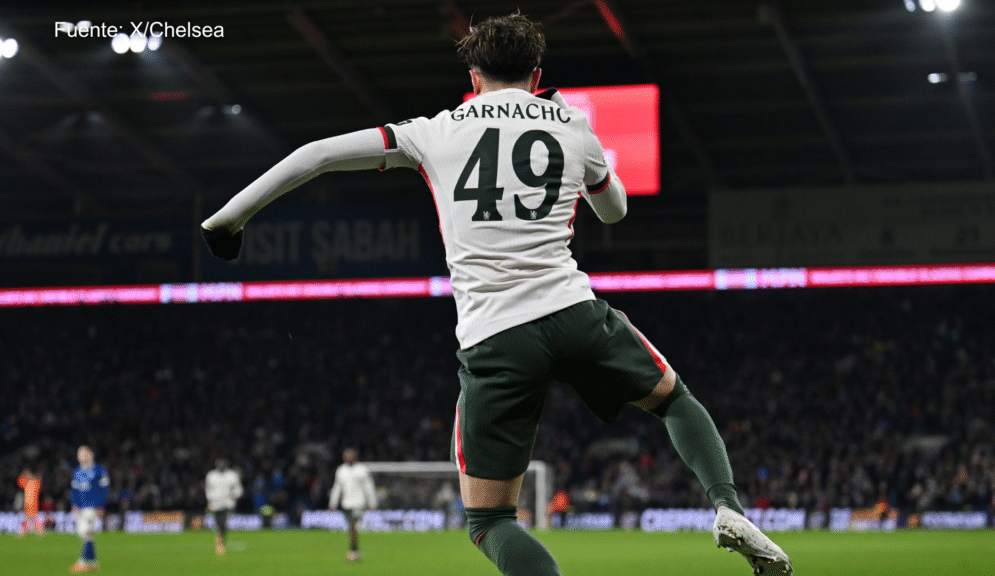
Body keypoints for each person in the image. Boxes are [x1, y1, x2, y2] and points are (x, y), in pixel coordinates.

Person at [200, 12, 793, 576]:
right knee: (673, 401)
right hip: (574, 312)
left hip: (495, 337)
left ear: (473, 76)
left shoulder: (433, 132)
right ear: (536, 75)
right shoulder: (573, 126)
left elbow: (317, 156)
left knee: (489, 521)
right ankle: (727, 506)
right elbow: (614, 211)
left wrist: (228, 221)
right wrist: (592, 167)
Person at [327, 448, 377, 562]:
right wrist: (332, 503)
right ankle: (355, 550)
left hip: (359, 502)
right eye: (346, 456)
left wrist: (372, 502)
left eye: (349, 456)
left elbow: (369, 487)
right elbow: (337, 487)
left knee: (353, 526)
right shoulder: (341, 470)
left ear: (355, 457)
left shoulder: (362, 470)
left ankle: (352, 551)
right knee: (351, 527)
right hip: (346, 503)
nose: (347, 458)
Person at [69, 446, 109, 573]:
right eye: (79, 454)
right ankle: (93, 562)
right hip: (81, 508)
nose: (80, 456)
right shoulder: (77, 472)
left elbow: (104, 490)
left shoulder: (99, 470)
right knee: (85, 535)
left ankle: (81, 562)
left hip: (92, 507)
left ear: (90, 455)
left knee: (86, 532)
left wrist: (101, 506)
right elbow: (75, 490)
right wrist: (74, 504)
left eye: (83, 454)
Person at [205, 458, 243, 555]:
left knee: (223, 522)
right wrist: (210, 500)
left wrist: (234, 496)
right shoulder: (211, 475)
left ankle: (220, 542)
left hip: (227, 503)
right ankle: (220, 538)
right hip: (215, 503)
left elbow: (238, 489)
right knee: (218, 523)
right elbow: (208, 489)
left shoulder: (232, 475)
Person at [17, 468, 46, 537]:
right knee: (30, 518)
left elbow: (40, 479)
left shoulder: (35, 483)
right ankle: (39, 531)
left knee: (31, 518)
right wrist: (23, 473)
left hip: (33, 504)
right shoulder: (26, 482)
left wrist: (31, 475)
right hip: (27, 503)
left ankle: (24, 531)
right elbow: (19, 481)